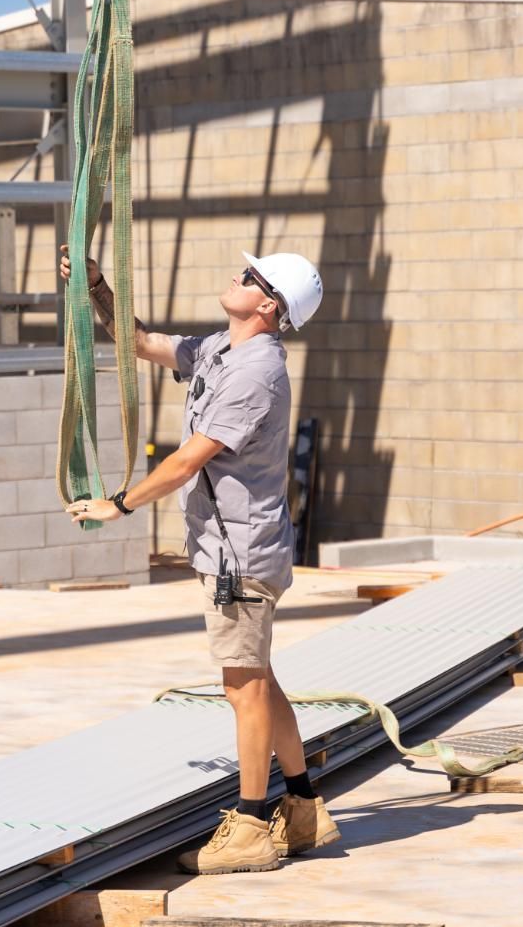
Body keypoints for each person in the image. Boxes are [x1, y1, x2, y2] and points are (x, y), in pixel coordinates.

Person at [61, 245, 338, 874]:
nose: (237, 275)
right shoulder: (222, 349)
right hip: (234, 547)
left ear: (268, 305)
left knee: (242, 688)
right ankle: (302, 809)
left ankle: (248, 827)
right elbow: (141, 343)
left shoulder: (255, 373)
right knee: (259, 678)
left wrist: (120, 505)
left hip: (240, 555)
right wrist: (98, 287)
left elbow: (189, 460)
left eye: (250, 276)